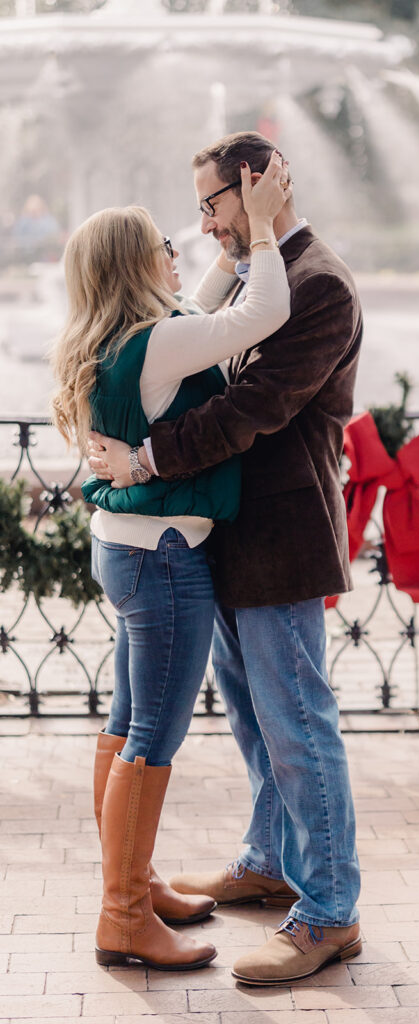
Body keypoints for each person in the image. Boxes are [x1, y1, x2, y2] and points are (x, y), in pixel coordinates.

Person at [88, 131, 363, 986]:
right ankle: (270, 860)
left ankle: (327, 913)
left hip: (283, 539)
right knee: (255, 723)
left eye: (214, 202)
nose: (204, 223)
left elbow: (252, 408)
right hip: (233, 539)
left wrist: (147, 461)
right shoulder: (260, 273)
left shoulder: (317, 286)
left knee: (298, 727)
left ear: (259, 188)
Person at [51, 152, 291, 972]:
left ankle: (137, 884)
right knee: (154, 732)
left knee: (126, 723)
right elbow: (258, 313)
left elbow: (207, 304)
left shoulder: (120, 340)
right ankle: (122, 915)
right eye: (163, 239)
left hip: (126, 552)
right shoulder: (159, 343)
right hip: (163, 556)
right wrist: (258, 228)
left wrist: (232, 245)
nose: (179, 245)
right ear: (134, 262)